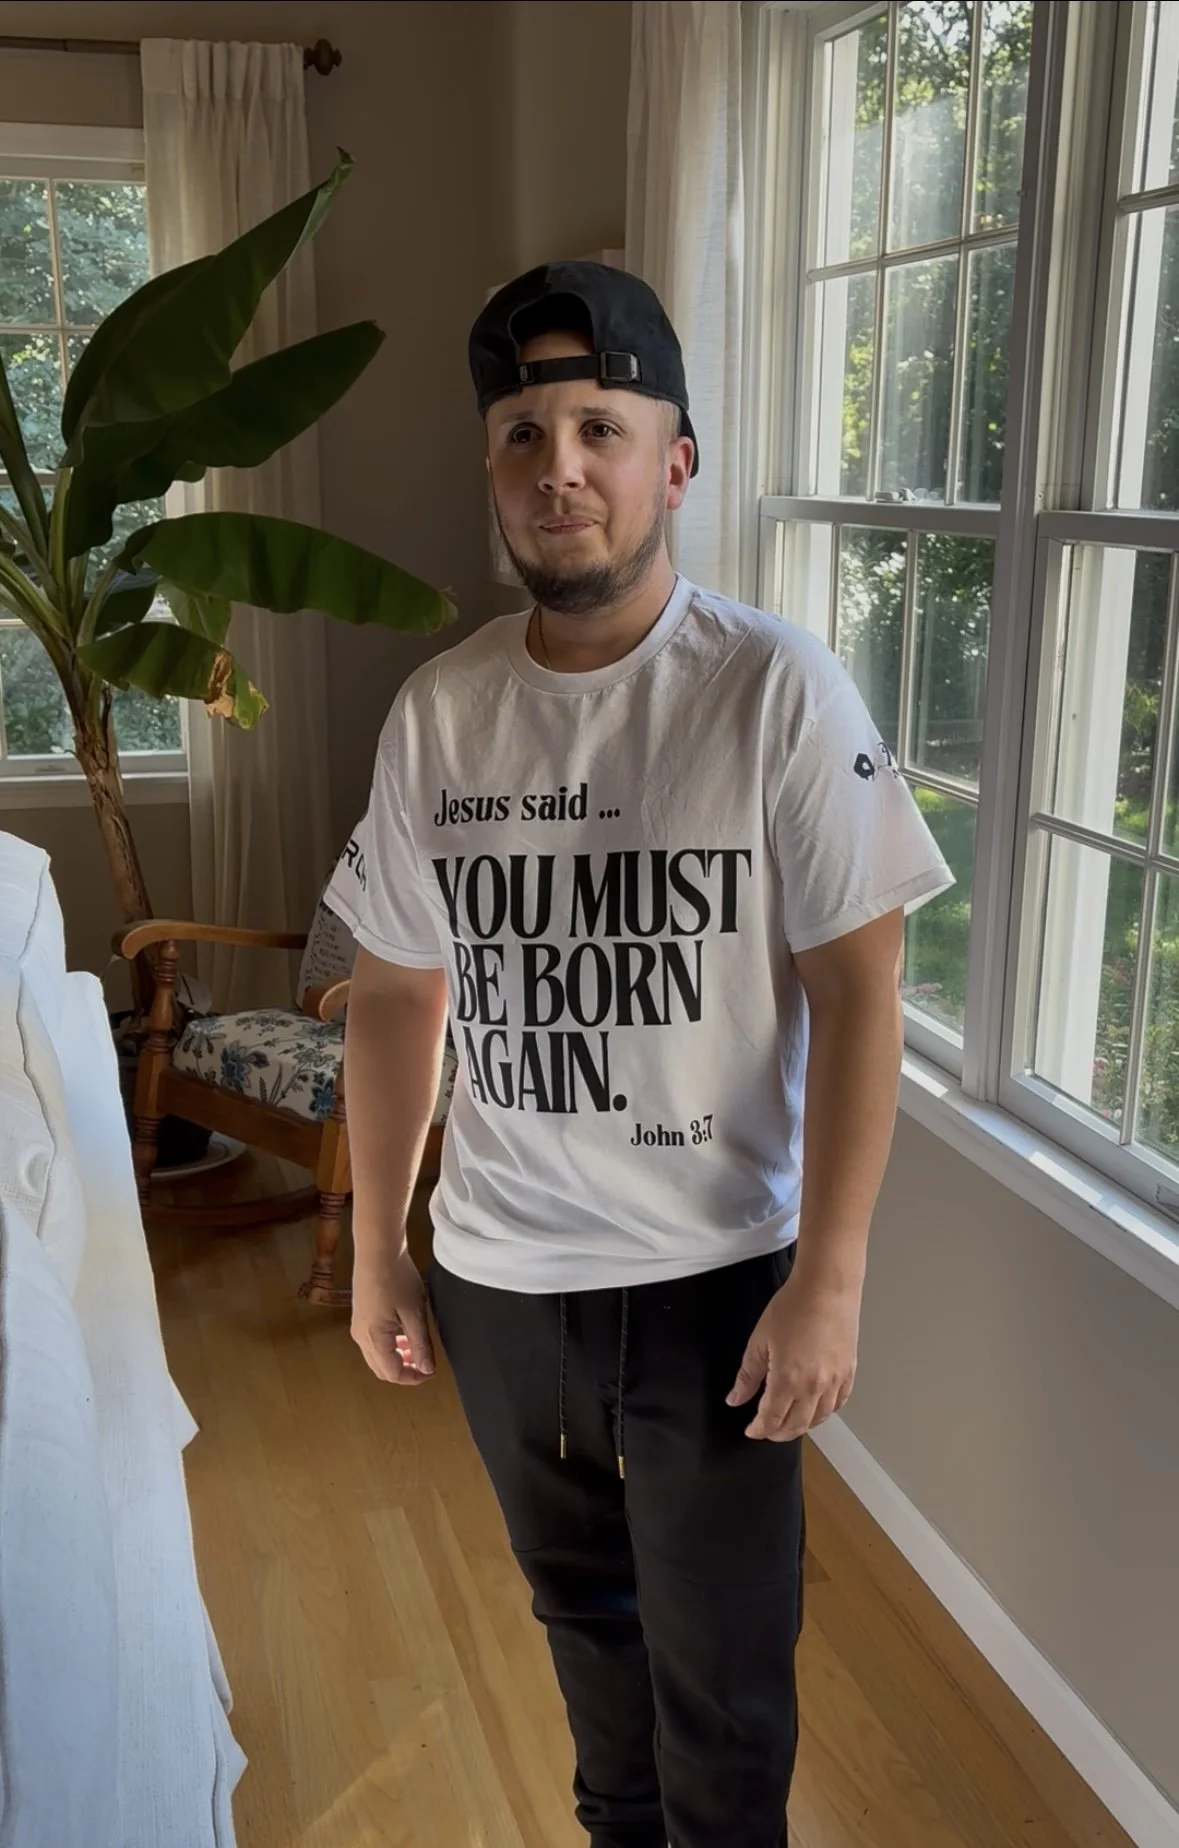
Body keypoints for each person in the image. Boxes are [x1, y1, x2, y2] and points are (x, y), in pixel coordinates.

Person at [326, 261, 954, 1848]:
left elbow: (861, 990)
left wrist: (831, 1274)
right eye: (524, 431)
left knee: (725, 1686)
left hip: (715, 1283)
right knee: (585, 1636)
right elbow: (400, 997)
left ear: (671, 462)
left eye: (599, 425)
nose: (560, 466)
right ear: (492, 469)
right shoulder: (441, 715)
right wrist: (380, 1253)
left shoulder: (773, 691)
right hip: (501, 1275)